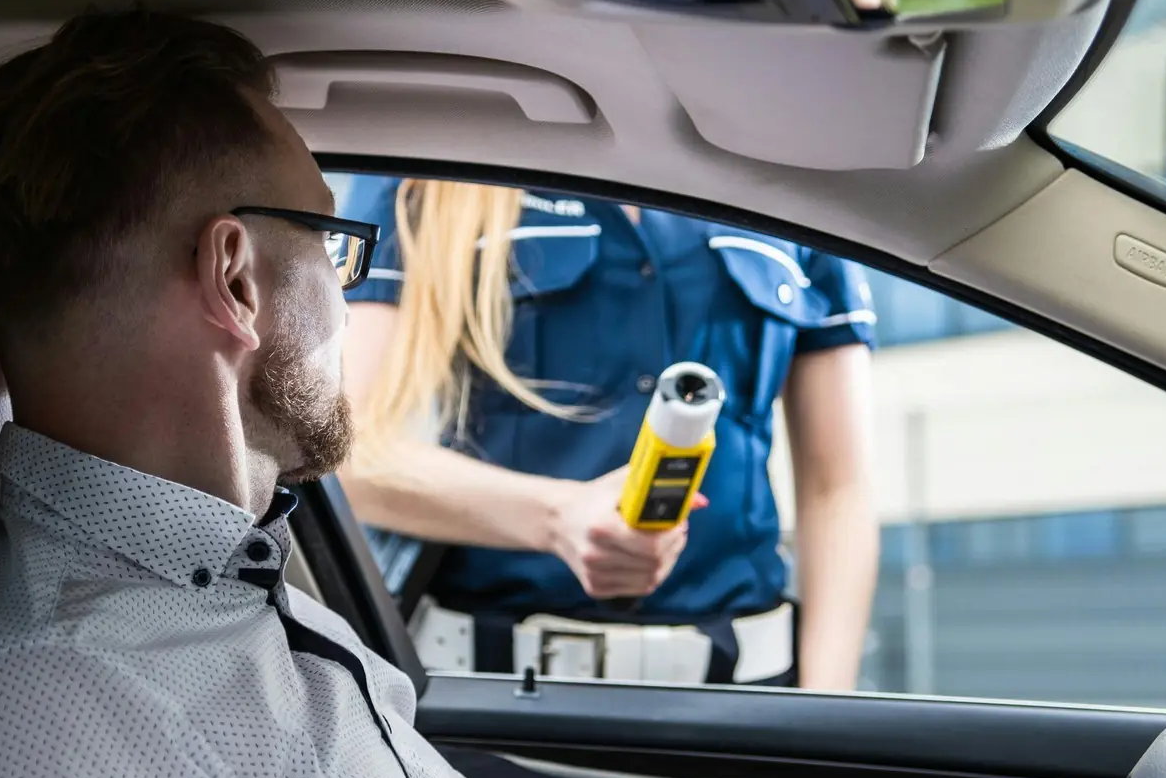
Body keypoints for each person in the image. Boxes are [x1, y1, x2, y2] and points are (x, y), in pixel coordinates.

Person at [0, 8, 1166, 778]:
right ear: (235, 277)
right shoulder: (54, 716)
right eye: (334, 234)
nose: (352, 277)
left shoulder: (228, 614)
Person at [338, 177, 881, 689]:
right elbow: (347, 454)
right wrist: (556, 519)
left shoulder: (798, 183)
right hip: (496, 707)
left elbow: (839, 488)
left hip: (749, 698)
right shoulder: (435, 173)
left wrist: (828, 705)